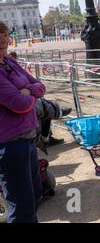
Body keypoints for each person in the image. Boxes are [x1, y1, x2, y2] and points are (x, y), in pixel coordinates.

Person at [0, 21, 45, 222]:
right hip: (10, 145)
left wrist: (28, 90)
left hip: (28, 138)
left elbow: (40, 86)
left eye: (4, 34)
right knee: (21, 208)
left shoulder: (10, 61)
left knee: (34, 197)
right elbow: (19, 104)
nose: (3, 39)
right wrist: (28, 91)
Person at [8, 51, 71, 147]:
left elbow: (37, 85)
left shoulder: (14, 68)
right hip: (14, 111)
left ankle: (47, 137)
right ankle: (57, 111)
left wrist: (29, 89)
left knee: (41, 109)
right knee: (38, 107)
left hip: (25, 102)